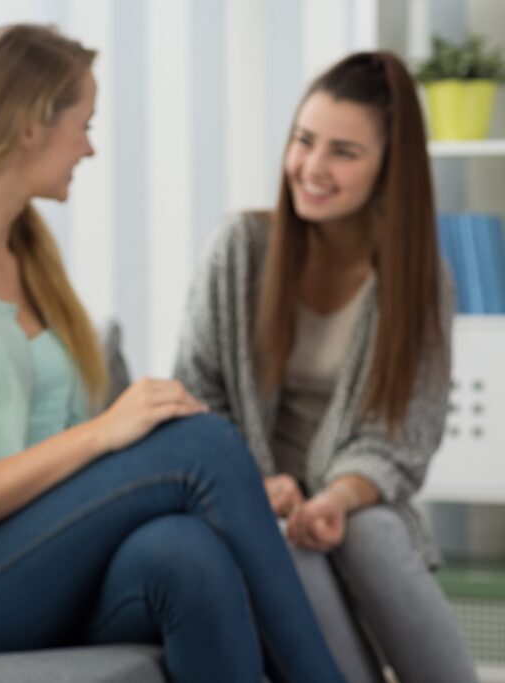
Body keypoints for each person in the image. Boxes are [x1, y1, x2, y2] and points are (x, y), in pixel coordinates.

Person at [0, 24, 344, 683]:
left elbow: (71, 473)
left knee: (187, 554)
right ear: (32, 124)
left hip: (43, 557)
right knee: (201, 443)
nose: (89, 147)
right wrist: (102, 435)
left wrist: (238, 502)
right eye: (83, 123)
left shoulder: (27, 252)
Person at [174, 51, 478, 683]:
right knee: (290, 544)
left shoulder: (422, 282)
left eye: (344, 152)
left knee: (369, 534)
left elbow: (405, 439)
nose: (312, 168)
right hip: (248, 498)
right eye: (304, 141)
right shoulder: (239, 250)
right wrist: (257, 485)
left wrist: (336, 498)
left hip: (356, 498)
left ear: (390, 168)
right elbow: (195, 401)